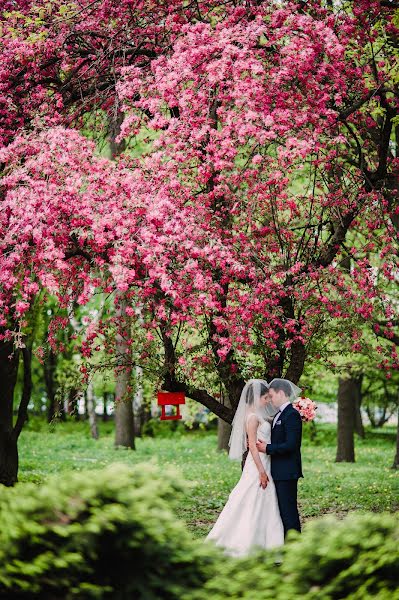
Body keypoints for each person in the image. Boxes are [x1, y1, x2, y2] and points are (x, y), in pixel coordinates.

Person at [206, 379, 284, 557]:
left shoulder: (259, 414)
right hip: (258, 463)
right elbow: (252, 446)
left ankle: (268, 544)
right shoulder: (252, 417)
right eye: (265, 398)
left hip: (267, 460)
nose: (267, 401)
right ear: (257, 398)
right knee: (251, 497)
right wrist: (261, 472)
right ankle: (244, 542)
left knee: (266, 499)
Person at [256, 378, 302, 537]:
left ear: (281, 393)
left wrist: (267, 448)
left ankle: (295, 545)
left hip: (287, 471)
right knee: (281, 510)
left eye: (272, 395)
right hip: (278, 470)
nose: (270, 399)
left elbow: (291, 445)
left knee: (289, 512)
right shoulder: (278, 415)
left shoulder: (291, 414)